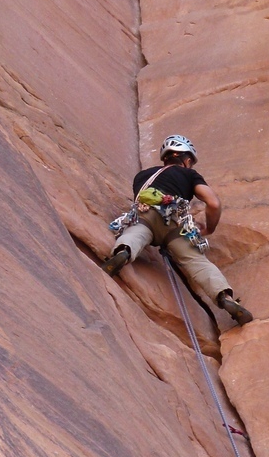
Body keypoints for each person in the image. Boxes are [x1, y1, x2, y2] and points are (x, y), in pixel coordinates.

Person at [101, 134, 254, 326]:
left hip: (145, 214)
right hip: (175, 224)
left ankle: (123, 251)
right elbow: (213, 203)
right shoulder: (189, 174)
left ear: (165, 158)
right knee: (197, 261)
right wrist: (209, 229)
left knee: (136, 233)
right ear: (187, 159)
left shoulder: (142, 176)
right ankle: (224, 297)